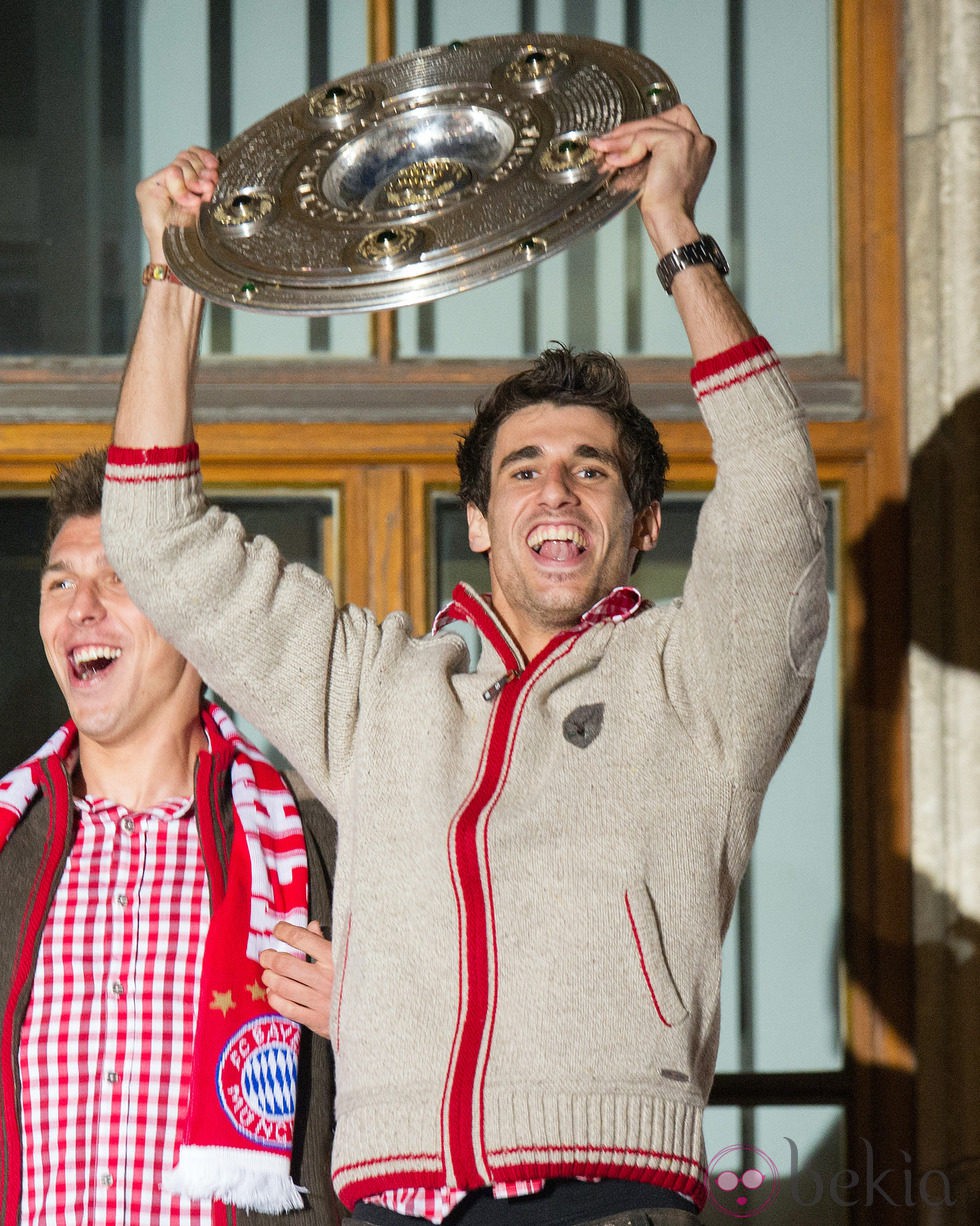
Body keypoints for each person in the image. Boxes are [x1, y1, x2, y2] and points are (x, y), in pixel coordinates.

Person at [100, 104, 829, 1225]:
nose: (553, 489)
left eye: (590, 471)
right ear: (480, 523)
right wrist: (176, 272)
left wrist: (675, 232)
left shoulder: (696, 682)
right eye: (523, 470)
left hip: (607, 1194)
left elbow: (777, 486)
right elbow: (156, 540)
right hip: (393, 1195)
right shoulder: (382, 689)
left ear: (640, 523)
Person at [0, 449, 345, 1225]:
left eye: (116, 578)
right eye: (59, 583)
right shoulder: (6, 851)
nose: (79, 608)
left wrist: (368, 1020)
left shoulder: (318, 854)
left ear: (196, 611)